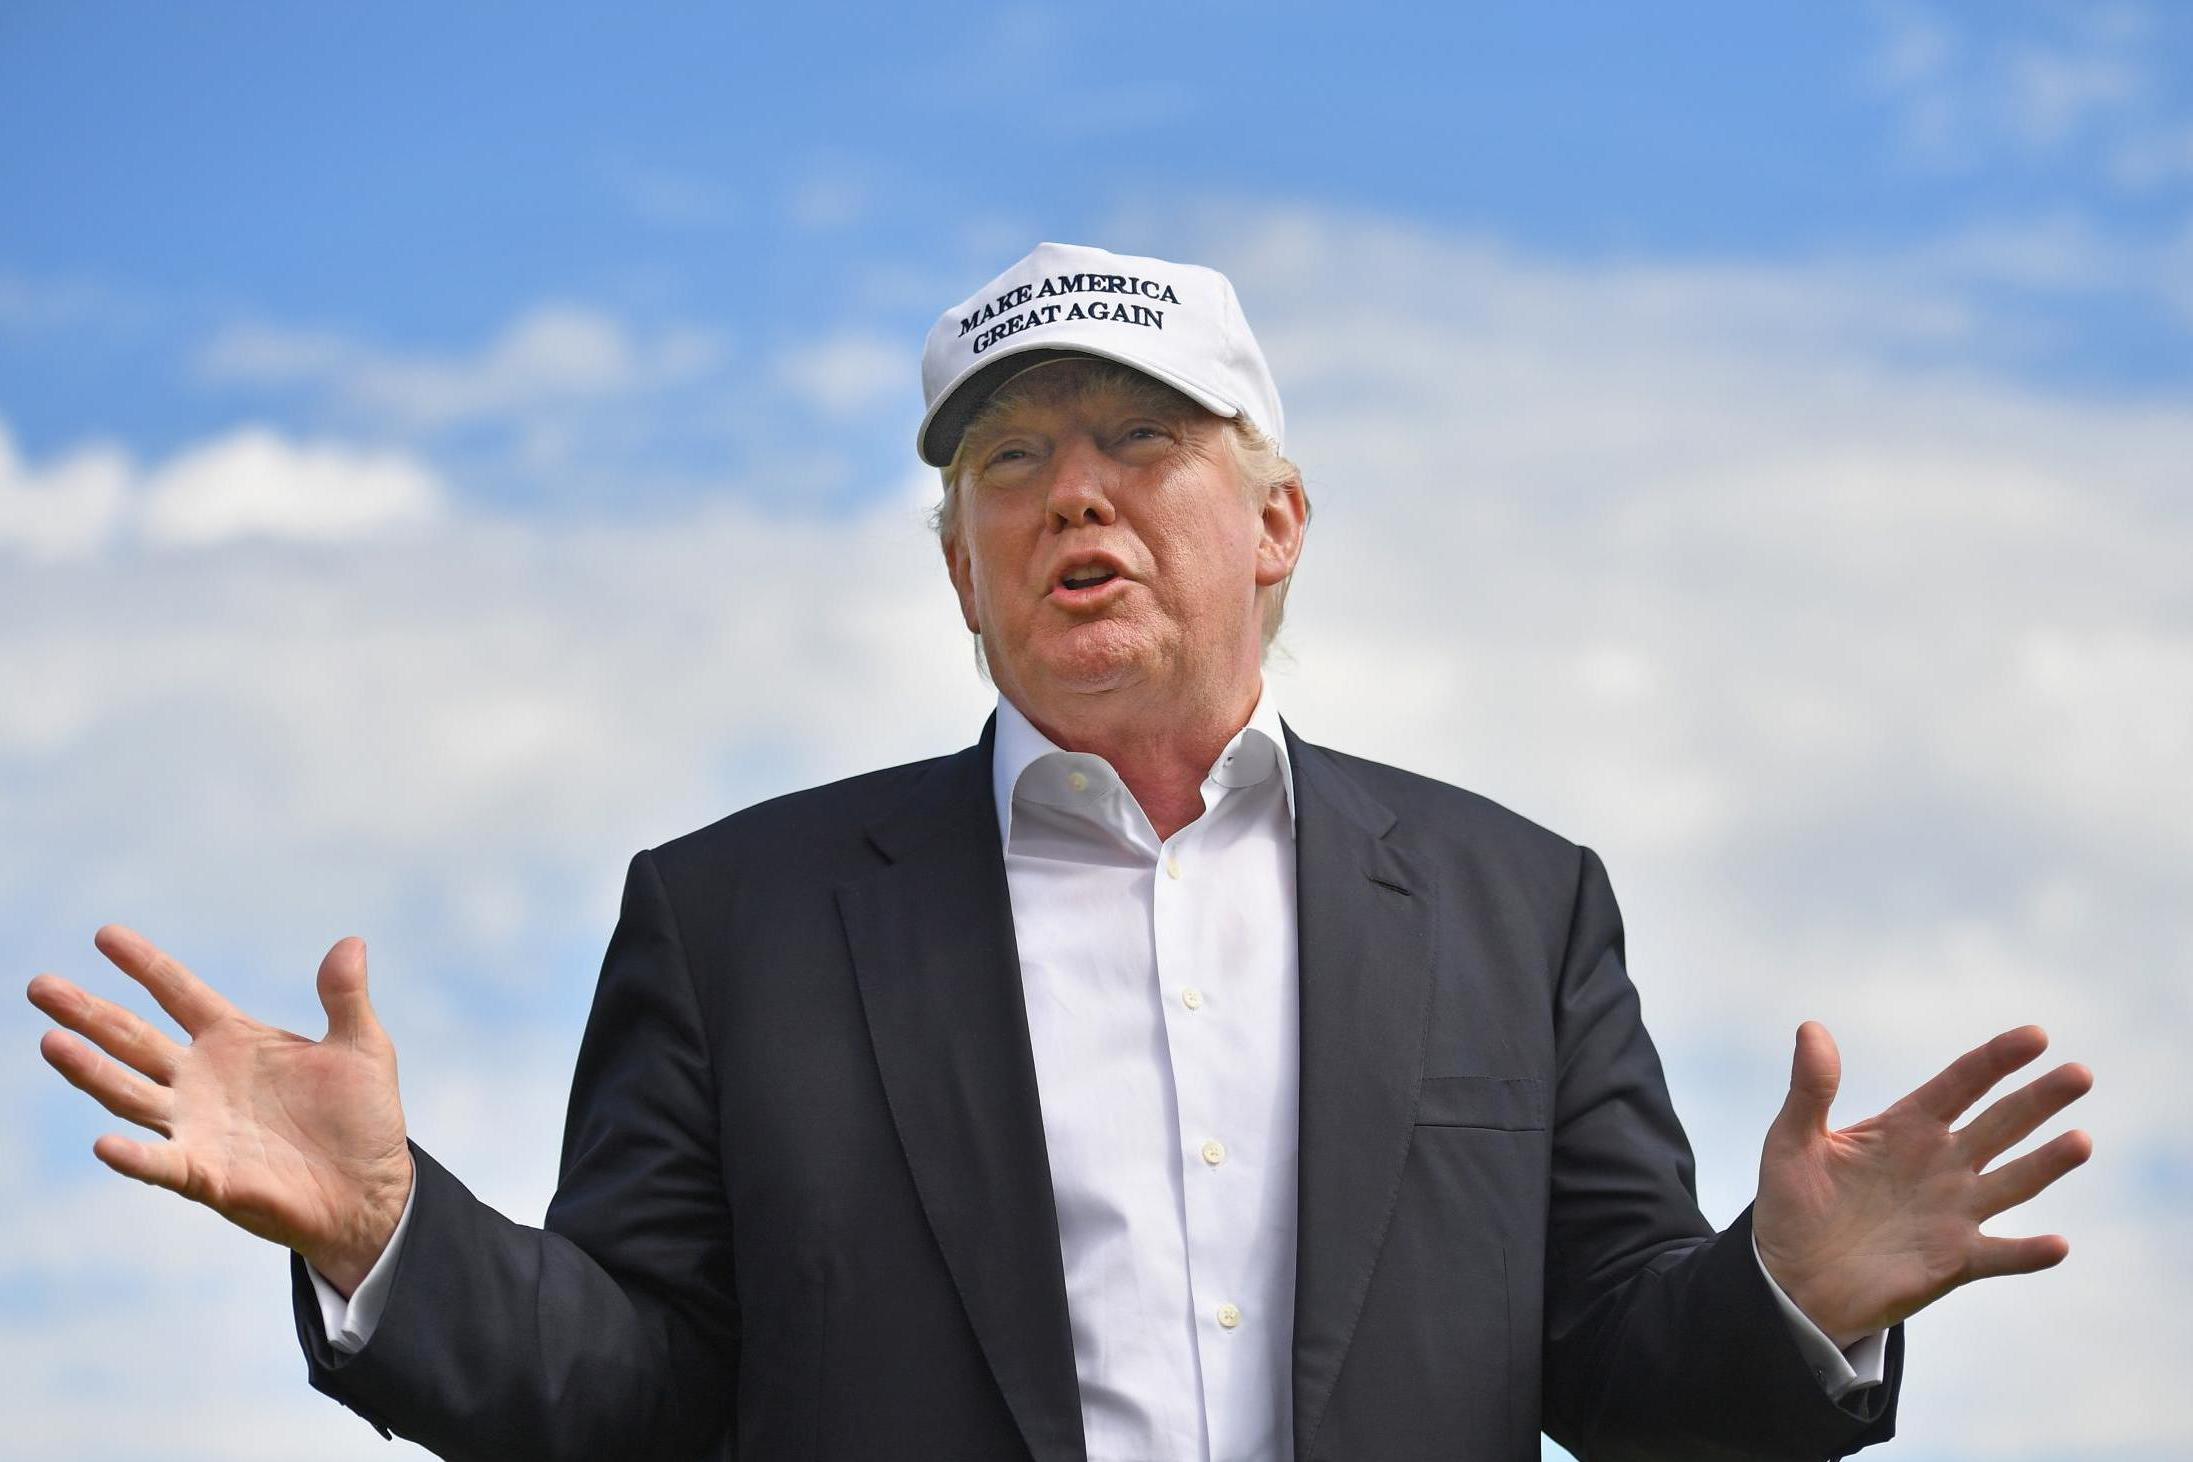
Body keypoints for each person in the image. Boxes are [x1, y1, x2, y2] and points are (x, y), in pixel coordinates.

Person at [26, 242, 2094, 1462]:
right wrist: (392, 1232)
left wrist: (1789, 1299)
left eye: (1139, 439)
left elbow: (1615, 1367)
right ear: (952, 562)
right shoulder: (736, 916)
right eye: (1010, 459)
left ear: (1274, 520)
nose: (1069, 496)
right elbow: (643, 1389)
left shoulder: (1508, 903)